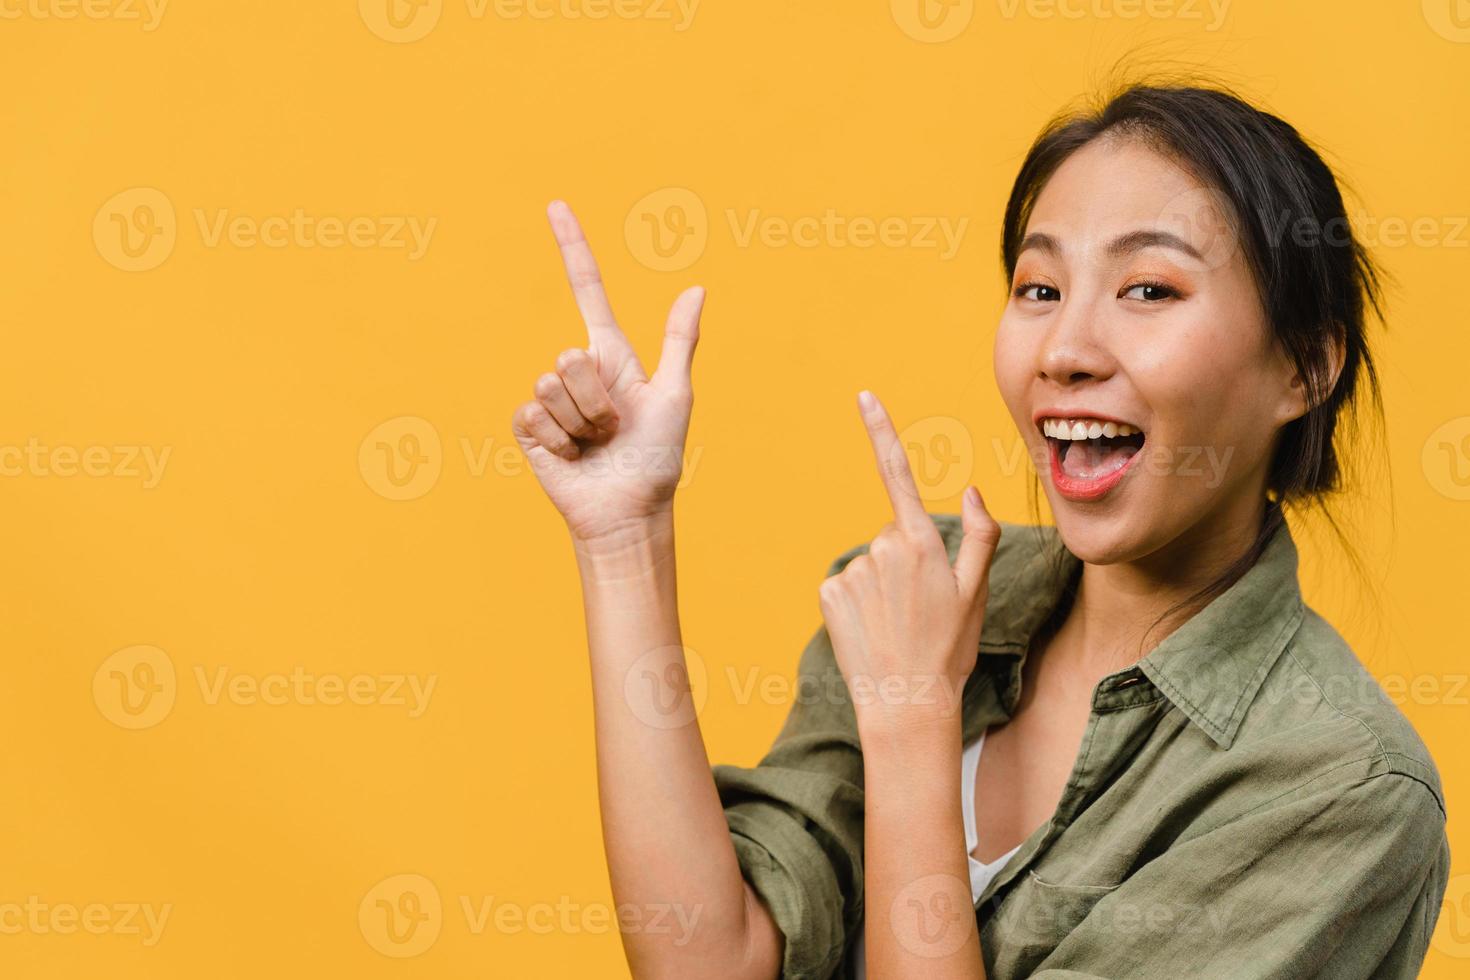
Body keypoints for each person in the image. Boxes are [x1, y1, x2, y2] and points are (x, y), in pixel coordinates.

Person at [510, 81, 1451, 979]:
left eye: (1149, 289)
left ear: (1303, 368)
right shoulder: (922, 598)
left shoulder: (1338, 790)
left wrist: (916, 721)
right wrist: (622, 537)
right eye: (1039, 288)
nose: (1065, 351)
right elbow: (707, 960)